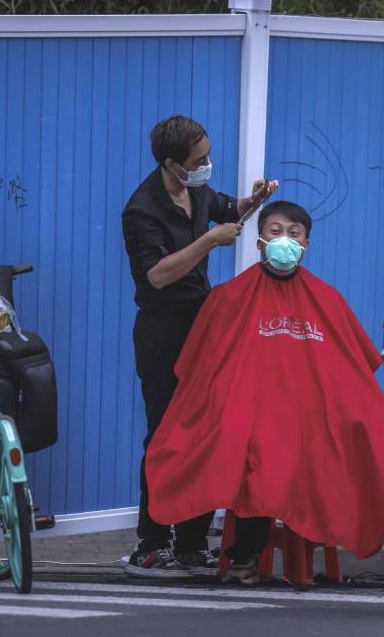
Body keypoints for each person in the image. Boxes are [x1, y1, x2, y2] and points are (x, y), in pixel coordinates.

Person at [144, 201, 384, 585]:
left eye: (294, 234)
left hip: (307, 416)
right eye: (275, 231)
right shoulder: (229, 298)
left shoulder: (327, 301)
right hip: (252, 412)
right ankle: (244, 554)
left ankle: (286, 542)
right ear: (259, 241)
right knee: (258, 445)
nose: (284, 241)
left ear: (306, 244)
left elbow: (356, 366)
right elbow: (197, 369)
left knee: (352, 429)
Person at [121, 115, 277, 578]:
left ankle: (191, 542)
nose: (207, 164)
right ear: (171, 163)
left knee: (207, 432)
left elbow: (232, 210)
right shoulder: (142, 209)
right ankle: (151, 543)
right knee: (165, 434)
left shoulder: (199, 192)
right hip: (163, 332)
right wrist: (208, 241)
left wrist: (255, 201)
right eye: (198, 160)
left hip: (204, 327)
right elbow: (157, 274)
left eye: (208, 155)